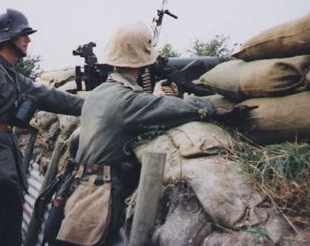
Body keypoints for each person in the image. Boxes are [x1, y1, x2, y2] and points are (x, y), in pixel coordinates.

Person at [51, 22, 223, 246]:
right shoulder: (126, 101)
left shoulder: (99, 93)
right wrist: (204, 105)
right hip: (100, 197)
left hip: (80, 192)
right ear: (143, 61)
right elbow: (179, 109)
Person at [0, 8, 84, 246]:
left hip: (4, 174)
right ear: (7, 37)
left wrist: (91, 105)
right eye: (23, 34)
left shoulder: (8, 73)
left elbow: (49, 96)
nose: (28, 39)